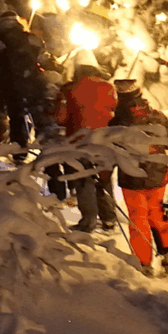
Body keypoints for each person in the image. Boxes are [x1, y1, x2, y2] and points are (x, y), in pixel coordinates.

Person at [109, 79, 168, 277]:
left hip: (132, 176)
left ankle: (143, 261)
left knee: (138, 218)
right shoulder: (156, 116)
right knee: (157, 212)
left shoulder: (118, 122)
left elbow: (112, 148)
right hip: (158, 174)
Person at [55, 60, 118, 232]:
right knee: (103, 178)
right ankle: (109, 217)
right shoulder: (109, 88)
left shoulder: (70, 89)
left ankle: (88, 221)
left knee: (84, 180)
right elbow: (113, 109)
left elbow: (61, 117)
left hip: (79, 140)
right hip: (105, 140)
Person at [0, 11, 59, 155]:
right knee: (39, 115)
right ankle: (47, 150)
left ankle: (19, 151)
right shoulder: (32, 39)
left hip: (10, 85)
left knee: (16, 117)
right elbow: (43, 58)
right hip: (34, 83)